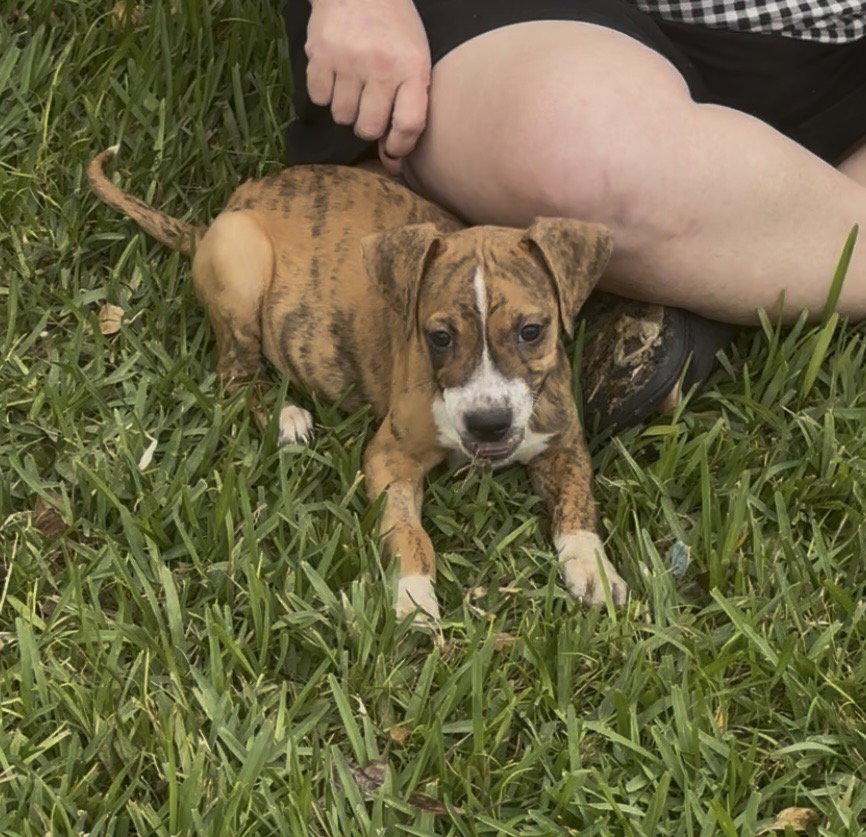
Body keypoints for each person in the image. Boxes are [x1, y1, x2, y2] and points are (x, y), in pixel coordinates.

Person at [281, 0, 866, 430]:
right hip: (540, 26)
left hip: (829, 26)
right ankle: (748, 254)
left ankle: (708, 277)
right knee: (581, 159)